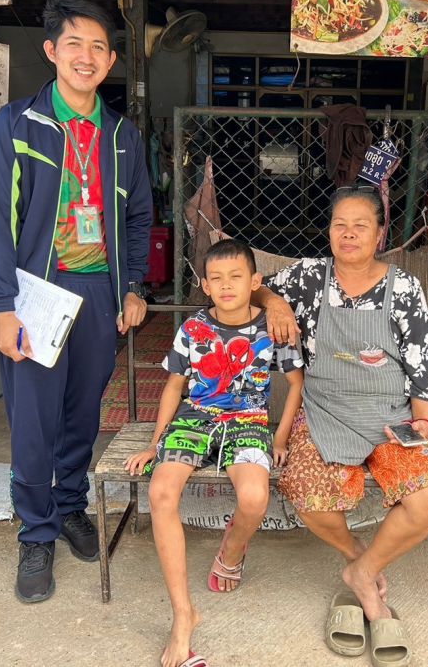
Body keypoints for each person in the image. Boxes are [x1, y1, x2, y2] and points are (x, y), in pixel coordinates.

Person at [0, 0, 151, 603]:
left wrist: (133, 286)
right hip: (35, 293)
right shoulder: (17, 124)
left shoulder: (121, 135)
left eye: (99, 47)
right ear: (51, 51)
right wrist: (3, 306)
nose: (87, 56)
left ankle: (71, 504)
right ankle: (36, 531)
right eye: (74, 44)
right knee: (33, 417)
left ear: (111, 61)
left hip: (99, 293)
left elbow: (138, 217)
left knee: (83, 411)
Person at [256, 186, 428, 663]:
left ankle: (362, 574)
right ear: (329, 231)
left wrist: (423, 422)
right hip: (325, 412)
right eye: (339, 225)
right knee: (307, 492)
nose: (348, 234)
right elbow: (254, 285)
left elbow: (422, 363)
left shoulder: (403, 286)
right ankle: (358, 557)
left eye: (360, 226)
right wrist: (274, 302)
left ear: (380, 234)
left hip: (392, 413)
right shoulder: (308, 276)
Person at [125, 238, 304, 667]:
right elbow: (174, 387)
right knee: (161, 492)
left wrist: (280, 439)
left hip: (248, 422)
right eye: (217, 279)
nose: (226, 286)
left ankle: (232, 551)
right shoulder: (192, 329)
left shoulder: (273, 328)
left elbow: (297, 385)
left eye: (236, 277)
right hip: (194, 420)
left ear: (255, 281)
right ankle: (183, 615)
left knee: (255, 498)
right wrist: (155, 443)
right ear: (204, 286)